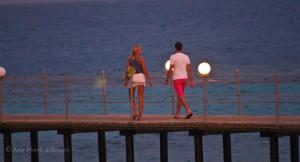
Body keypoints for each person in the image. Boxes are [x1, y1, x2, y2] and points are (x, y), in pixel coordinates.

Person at [165, 42, 194, 119]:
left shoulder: (173, 57)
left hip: (177, 78)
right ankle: (177, 114)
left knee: (181, 95)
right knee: (179, 96)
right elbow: (189, 70)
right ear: (182, 48)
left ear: (175, 48)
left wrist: (167, 78)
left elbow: (170, 69)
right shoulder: (186, 57)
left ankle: (188, 110)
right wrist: (191, 80)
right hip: (184, 78)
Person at [124, 45, 152, 120]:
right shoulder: (141, 58)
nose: (140, 51)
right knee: (140, 97)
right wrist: (149, 79)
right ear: (138, 51)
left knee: (131, 97)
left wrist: (126, 80)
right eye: (140, 50)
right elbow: (144, 69)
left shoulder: (129, 59)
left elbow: (127, 70)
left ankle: (135, 112)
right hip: (141, 77)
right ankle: (140, 115)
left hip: (133, 78)